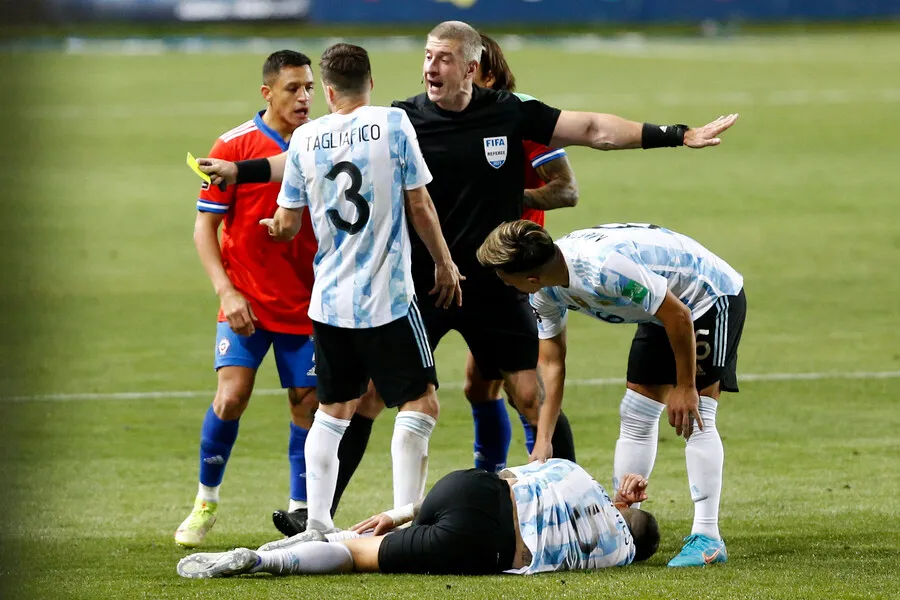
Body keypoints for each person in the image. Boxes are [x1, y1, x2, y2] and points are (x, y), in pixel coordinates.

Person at [195, 21, 738, 458]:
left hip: (495, 283)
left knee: (529, 394)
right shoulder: (399, 119)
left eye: (444, 57)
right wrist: (240, 174)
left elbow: (593, 129)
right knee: (369, 397)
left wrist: (676, 135)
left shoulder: (510, 112)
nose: (432, 65)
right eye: (428, 55)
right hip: (421, 283)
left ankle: (567, 498)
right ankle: (316, 519)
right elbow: (304, 158)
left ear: (471, 68)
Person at [259, 43, 462, 535]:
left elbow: (287, 222)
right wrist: (444, 262)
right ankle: (407, 517)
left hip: (329, 300)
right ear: (370, 83)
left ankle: (319, 524)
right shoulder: (394, 124)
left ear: (327, 91)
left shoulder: (304, 138)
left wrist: (274, 228)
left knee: (331, 411)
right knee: (420, 402)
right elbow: (420, 205)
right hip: (388, 296)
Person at [177, 50, 374, 548]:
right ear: (267, 93)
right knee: (231, 396)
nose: (305, 97)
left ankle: (301, 513)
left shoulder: (329, 139)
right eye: (293, 88)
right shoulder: (234, 144)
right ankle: (206, 501)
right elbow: (205, 227)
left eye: (310, 87)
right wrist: (227, 290)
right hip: (245, 300)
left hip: (310, 304)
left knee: (307, 404)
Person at [476, 220, 747, 567]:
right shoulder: (546, 289)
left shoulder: (604, 270)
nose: (503, 283)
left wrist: (685, 386)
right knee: (635, 412)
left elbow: (679, 314)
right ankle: (621, 523)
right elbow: (552, 362)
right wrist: (543, 440)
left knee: (696, 415)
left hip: (707, 296)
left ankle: (708, 538)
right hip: (661, 310)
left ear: (530, 279)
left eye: (504, 277)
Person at [176, 459, 660, 578]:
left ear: (625, 507)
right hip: (483, 541)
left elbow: (507, 471)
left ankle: (290, 542)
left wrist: (398, 511)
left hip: (467, 487)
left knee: (382, 532)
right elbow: (611, 530)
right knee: (359, 556)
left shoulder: (571, 472)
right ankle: (265, 565)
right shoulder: (618, 553)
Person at [466, 32, 580, 470]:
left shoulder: (521, 117)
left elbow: (567, 191)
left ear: (488, 73)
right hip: (476, 267)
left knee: (528, 390)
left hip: (517, 271)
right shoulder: (452, 120)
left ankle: (562, 484)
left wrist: (512, 195)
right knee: (479, 385)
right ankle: (488, 479)